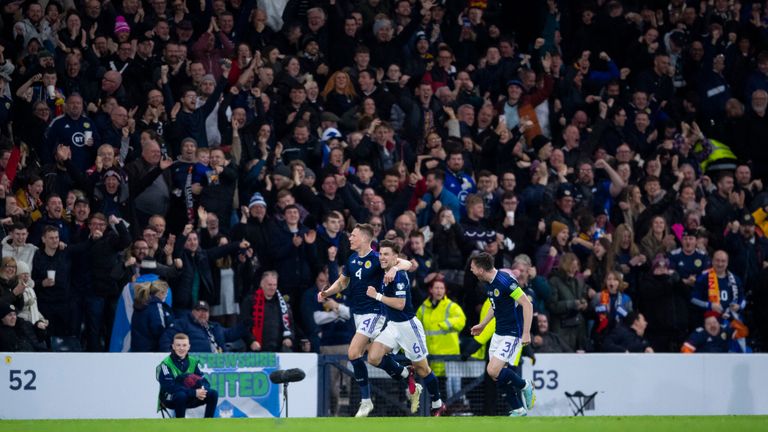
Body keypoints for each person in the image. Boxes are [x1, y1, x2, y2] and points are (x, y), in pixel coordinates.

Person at [317, 223, 412, 417]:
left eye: (353, 235)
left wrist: (394, 270)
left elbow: (407, 263)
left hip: (375, 312)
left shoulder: (378, 258)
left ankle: (366, 401)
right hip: (358, 315)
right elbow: (343, 282)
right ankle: (404, 373)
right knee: (374, 357)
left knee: (353, 352)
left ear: (365, 239)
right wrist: (327, 292)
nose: (350, 238)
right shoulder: (352, 259)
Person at [364, 239, 446, 416]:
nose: (382, 257)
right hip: (393, 325)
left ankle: (438, 403)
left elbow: (400, 304)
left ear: (395, 257)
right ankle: (405, 372)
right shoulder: (388, 269)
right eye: (381, 254)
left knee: (423, 369)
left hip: (408, 327)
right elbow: (407, 263)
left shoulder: (399, 276)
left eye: (387, 254)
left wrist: (376, 296)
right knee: (373, 357)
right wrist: (394, 267)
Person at [469, 252, 535, 417]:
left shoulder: (505, 281)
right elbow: (495, 305)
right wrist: (483, 325)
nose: (471, 271)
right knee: (497, 376)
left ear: (481, 269)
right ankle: (518, 409)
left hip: (511, 334)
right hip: (499, 333)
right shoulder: (489, 283)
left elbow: (526, 304)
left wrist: (526, 333)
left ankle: (525, 385)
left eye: (473, 268)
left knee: (492, 370)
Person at [415, 275, 467, 408]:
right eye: (436, 288)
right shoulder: (423, 308)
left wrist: (446, 324)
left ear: (445, 291)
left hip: (449, 355)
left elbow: (461, 321)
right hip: (430, 355)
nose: (439, 291)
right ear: (431, 290)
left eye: (441, 288)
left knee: (451, 388)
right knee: (433, 387)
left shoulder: (451, 306)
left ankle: (452, 409)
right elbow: (415, 326)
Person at [156, 333, 219, 418]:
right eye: (178, 345)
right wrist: (194, 392)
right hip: (169, 398)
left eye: (184, 345)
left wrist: (202, 389)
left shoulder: (193, 361)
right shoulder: (166, 364)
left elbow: (203, 380)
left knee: (213, 393)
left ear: (188, 347)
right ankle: (180, 425)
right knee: (181, 395)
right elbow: (170, 387)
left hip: (190, 395)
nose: (181, 348)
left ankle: (207, 424)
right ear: (173, 347)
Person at [131, 280, 173, 352]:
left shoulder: (141, 304)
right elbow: (159, 327)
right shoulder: (156, 306)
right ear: (160, 293)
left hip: (138, 347)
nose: (166, 296)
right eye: (166, 293)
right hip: (152, 349)